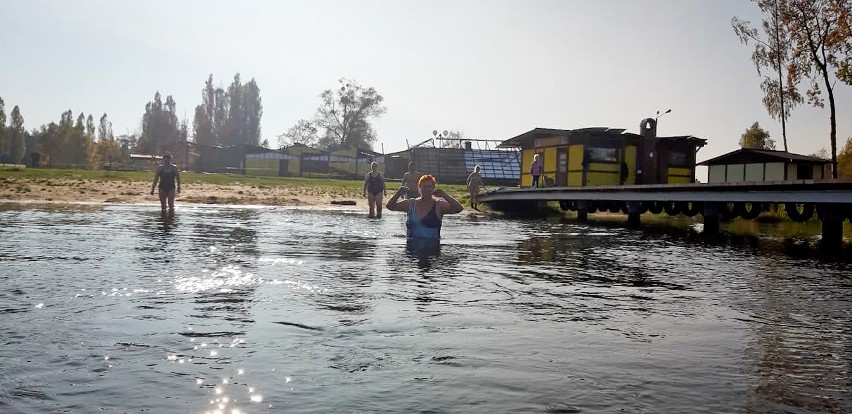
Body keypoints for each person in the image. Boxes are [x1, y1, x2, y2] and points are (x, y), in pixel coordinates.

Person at [386, 174, 464, 240]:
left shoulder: (439, 205)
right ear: (419, 188)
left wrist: (445, 196)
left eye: (429, 186)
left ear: (433, 188)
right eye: (424, 186)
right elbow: (390, 206)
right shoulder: (410, 204)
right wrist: (398, 194)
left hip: (433, 252)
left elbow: (459, 209)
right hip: (412, 253)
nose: (427, 189)